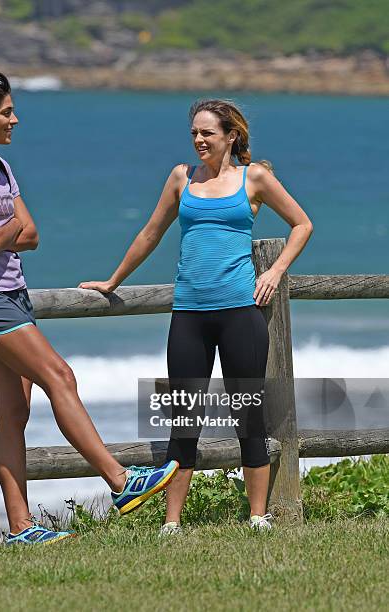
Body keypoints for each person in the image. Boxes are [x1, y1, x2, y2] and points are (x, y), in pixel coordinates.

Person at [0, 72, 178, 546]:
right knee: (61, 376)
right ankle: (119, 481)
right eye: (6, 112)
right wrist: (4, 232)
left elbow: (32, 234)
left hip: (12, 292)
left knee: (14, 411)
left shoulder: (1, 168)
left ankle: (20, 529)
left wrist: (2, 232)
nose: (14, 119)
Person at [80, 98, 313, 533]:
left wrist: (276, 271)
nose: (199, 141)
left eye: (207, 133)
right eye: (194, 134)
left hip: (241, 313)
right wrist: (113, 281)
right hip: (189, 314)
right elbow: (151, 232)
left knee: (248, 414)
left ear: (231, 136)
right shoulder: (180, 178)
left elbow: (302, 224)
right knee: (184, 417)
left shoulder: (255, 178)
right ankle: (172, 522)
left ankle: (258, 516)